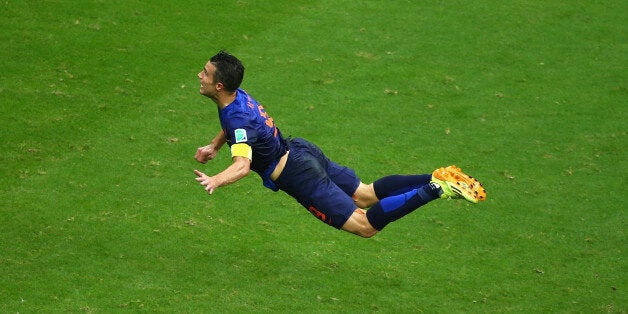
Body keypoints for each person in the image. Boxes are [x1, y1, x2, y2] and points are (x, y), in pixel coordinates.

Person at [193, 50, 486, 238]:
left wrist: (216, 180)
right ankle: (438, 175)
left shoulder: (236, 117)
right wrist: (215, 145)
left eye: (205, 73)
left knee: (365, 226)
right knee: (365, 194)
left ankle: (437, 188)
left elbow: (242, 166)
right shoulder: (237, 96)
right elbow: (236, 126)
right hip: (302, 150)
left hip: (297, 174)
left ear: (220, 86)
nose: (200, 75)